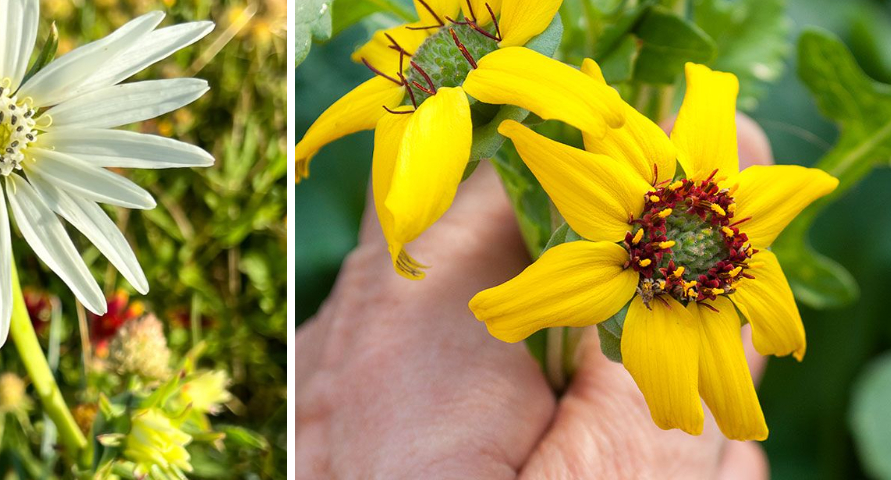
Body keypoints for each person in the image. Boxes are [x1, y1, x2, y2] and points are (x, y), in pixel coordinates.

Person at [296, 116, 774, 479]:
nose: (695, 243)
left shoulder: (714, 288)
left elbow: (678, 413)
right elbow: (597, 120)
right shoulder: (614, 236)